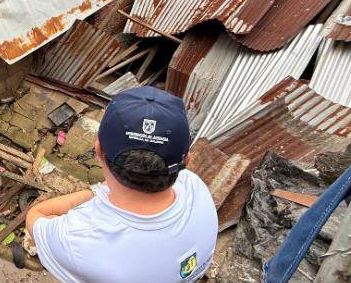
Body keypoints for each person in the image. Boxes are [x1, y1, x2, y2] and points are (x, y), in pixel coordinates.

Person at [25, 86, 218, 283]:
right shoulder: (197, 189)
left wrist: (96, 192)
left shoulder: (78, 238)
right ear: (186, 161)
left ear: (98, 150)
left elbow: (36, 215)